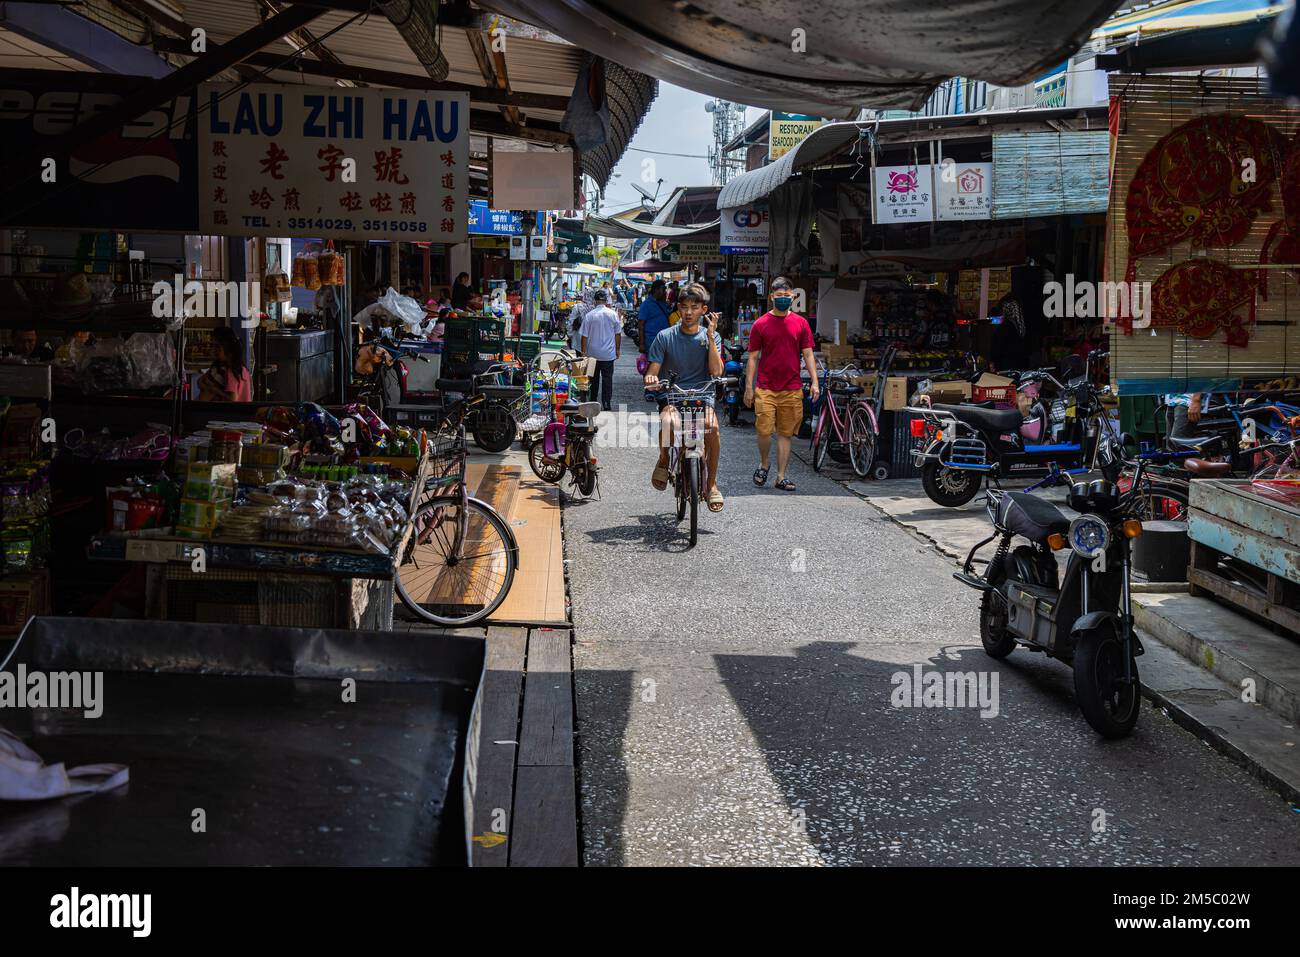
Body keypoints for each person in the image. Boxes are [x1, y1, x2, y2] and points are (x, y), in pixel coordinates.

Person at [644, 281, 725, 512]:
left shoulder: (712, 337)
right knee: (669, 422)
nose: (689, 312)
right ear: (679, 307)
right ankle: (663, 459)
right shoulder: (664, 336)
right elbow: (653, 371)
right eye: (685, 307)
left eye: (694, 307)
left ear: (703, 310)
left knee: (712, 427)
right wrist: (651, 379)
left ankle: (711, 483)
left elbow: (716, 372)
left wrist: (710, 337)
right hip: (673, 396)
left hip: (703, 395)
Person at [745, 277, 819, 491]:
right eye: (779, 296)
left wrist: (814, 381)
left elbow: (808, 353)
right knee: (764, 431)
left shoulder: (801, 323)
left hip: (792, 387)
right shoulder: (760, 324)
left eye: (787, 296)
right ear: (771, 297)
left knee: (786, 433)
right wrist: (749, 387)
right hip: (765, 387)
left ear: (793, 297)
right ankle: (764, 463)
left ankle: (780, 476)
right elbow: (752, 357)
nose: (784, 299)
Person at [581, 288, 622, 411]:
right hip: (608, 354)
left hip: (592, 353)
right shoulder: (613, 314)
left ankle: (593, 400)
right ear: (605, 300)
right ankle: (606, 403)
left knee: (593, 379)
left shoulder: (589, 316)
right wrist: (618, 349)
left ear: (595, 301)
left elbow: (584, 336)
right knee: (607, 379)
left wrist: (583, 352)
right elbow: (618, 334)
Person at [198, 326, 252, 402]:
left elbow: (233, 399)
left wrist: (214, 390)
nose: (214, 350)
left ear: (228, 348)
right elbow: (200, 381)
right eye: (213, 346)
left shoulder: (231, 372)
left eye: (218, 347)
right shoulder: (242, 369)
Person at [637, 278, 672, 354]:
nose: (665, 292)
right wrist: (642, 343)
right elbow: (641, 325)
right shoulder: (646, 305)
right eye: (663, 289)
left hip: (665, 340)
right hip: (652, 341)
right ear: (656, 290)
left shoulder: (663, 303)